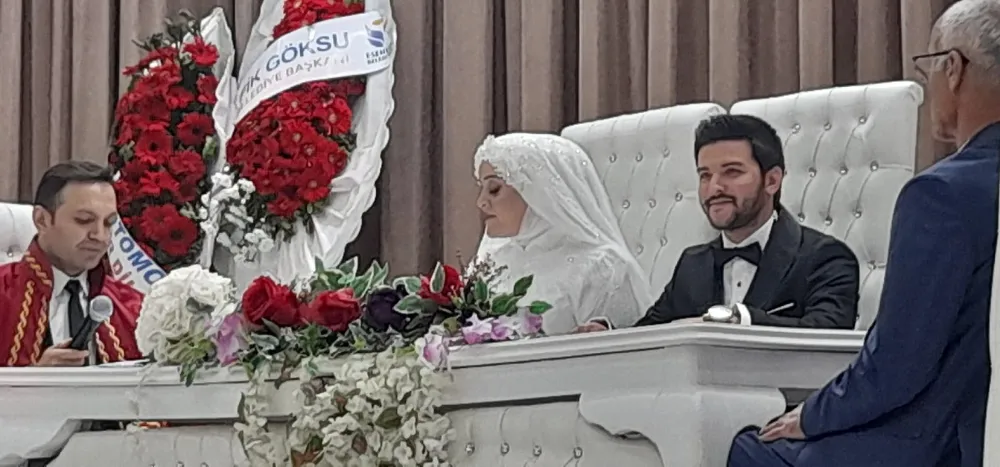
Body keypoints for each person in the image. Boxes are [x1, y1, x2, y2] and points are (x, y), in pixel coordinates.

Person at [727, 1, 1000, 466]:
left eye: (929, 67)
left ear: (953, 69)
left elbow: (897, 365)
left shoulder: (942, 196)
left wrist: (811, 415)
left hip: (941, 445)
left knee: (752, 448)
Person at [577, 114, 859, 333]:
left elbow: (827, 336)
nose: (714, 188)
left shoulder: (826, 258)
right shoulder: (692, 264)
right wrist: (606, 334)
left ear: (772, 180)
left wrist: (737, 319)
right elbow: (651, 334)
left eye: (731, 172)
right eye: (705, 175)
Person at [473, 133, 654, 334]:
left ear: (539, 192)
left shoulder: (602, 267)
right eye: (482, 189)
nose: (481, 202)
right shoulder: (492, 262)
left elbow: (626, 348)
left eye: (494, 189)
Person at [0, 161, 142, 367]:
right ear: (41, 220)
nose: (100, 236)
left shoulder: (132, 306)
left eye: (109, 223)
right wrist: (33, 378)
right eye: (84, 220)